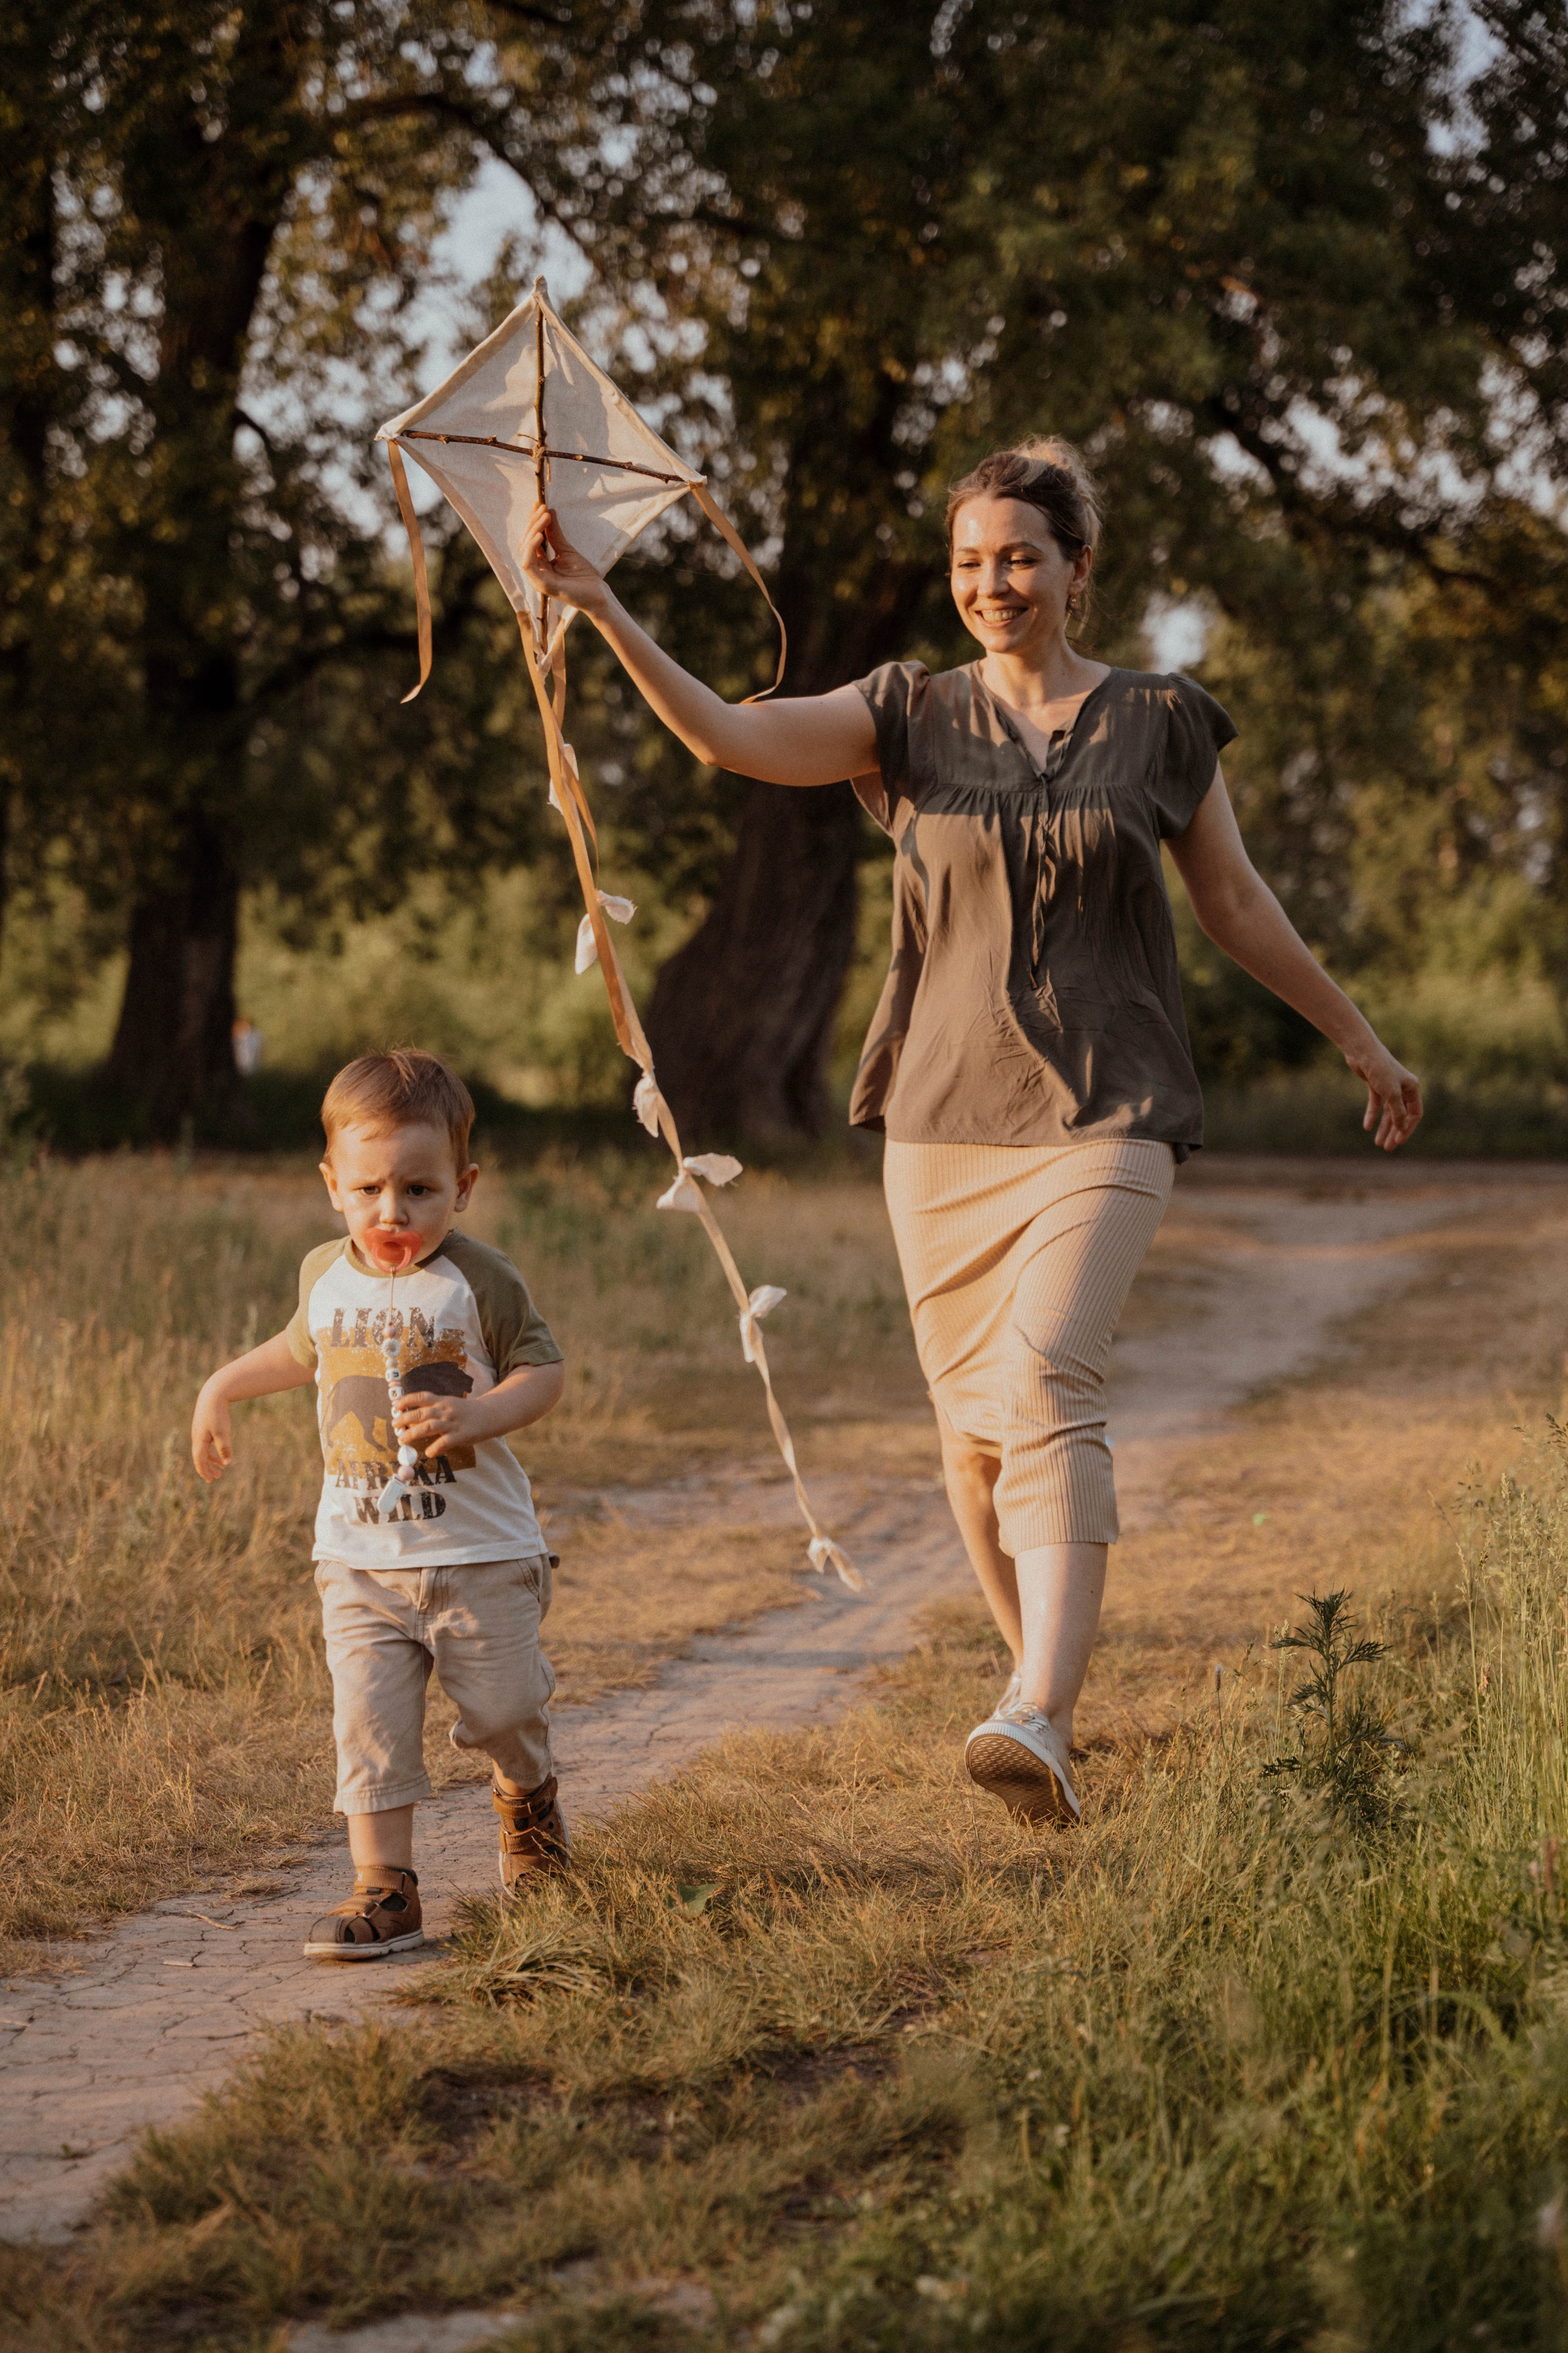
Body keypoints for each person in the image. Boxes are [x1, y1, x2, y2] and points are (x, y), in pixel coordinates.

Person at [520, 437, 1423, 1830]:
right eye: (969, 561)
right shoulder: (907, 712)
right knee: (971, 1438)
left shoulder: (1161, 719)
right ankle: (1032, 1703)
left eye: (1019, 557)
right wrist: (599, 603)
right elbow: (728, 737)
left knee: (1046, 1373)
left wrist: (1358, 1036)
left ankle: (1040, 1709)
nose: (992, 583)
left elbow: (1235, 904)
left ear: (1076, 568)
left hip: (1108, 1106)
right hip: (941, 1118)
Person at [191, 1049, 570, 1956]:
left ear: (463, 1187)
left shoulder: (480, 1278)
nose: (391, 1212)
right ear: (333, 1185)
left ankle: (527, 1802)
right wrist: (220, 1386)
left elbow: (544, 1371)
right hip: (359, 1562)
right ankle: (385, 1886)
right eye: (368, 1190)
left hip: (480, 1556)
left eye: (419, 1189)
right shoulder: (325, 1272)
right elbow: (301, 1350)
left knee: (505, 1712)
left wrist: (479, 1411)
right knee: (368, 1727)